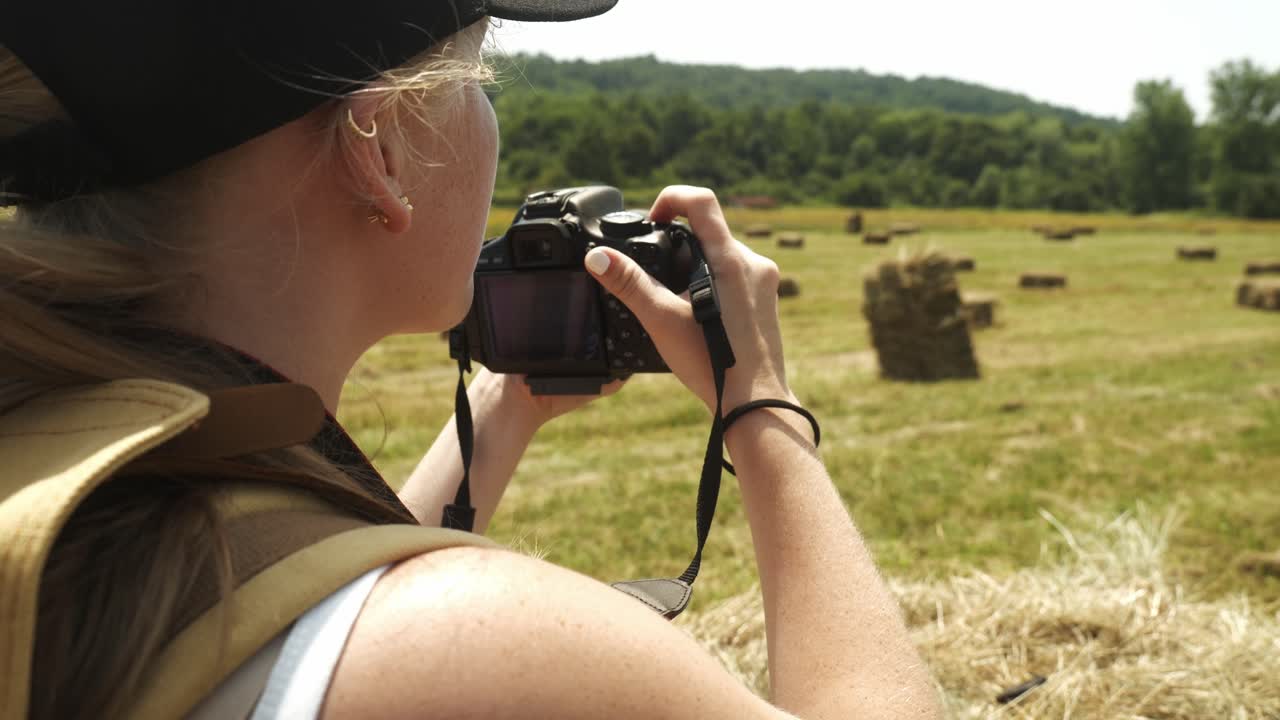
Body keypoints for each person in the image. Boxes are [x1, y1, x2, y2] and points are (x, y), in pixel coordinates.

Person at [0, 1, 942, 718]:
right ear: (382, 148)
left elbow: (297, 604)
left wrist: (506, 403)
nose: (492, 124)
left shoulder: (71, 467)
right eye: (479, 80)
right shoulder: (477, 648)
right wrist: (764, 413)